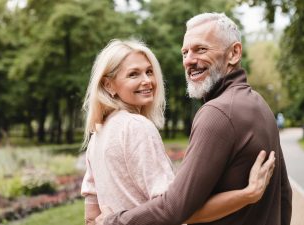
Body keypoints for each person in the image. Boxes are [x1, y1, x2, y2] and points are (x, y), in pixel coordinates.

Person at [100, 13, 292, 225]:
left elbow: (174, 207)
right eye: (185, 53)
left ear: (234, 53)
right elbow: (284, 194)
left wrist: (114, 222)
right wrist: (247, 195)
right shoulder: (259, 105)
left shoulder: (217, 113)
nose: (189, 61)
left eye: (201, 49)